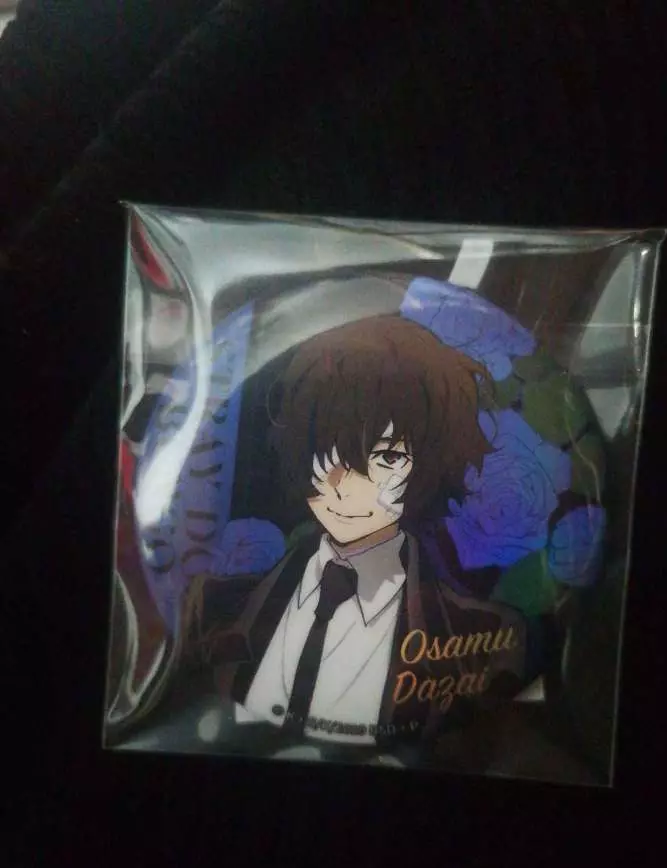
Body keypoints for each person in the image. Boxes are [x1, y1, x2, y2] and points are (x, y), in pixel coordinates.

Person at [152, 314, 534, 766]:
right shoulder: (213, 607)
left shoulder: (487, 642)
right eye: (327, 451)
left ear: (429, 462)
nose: (346, 485)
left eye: (386, 457)